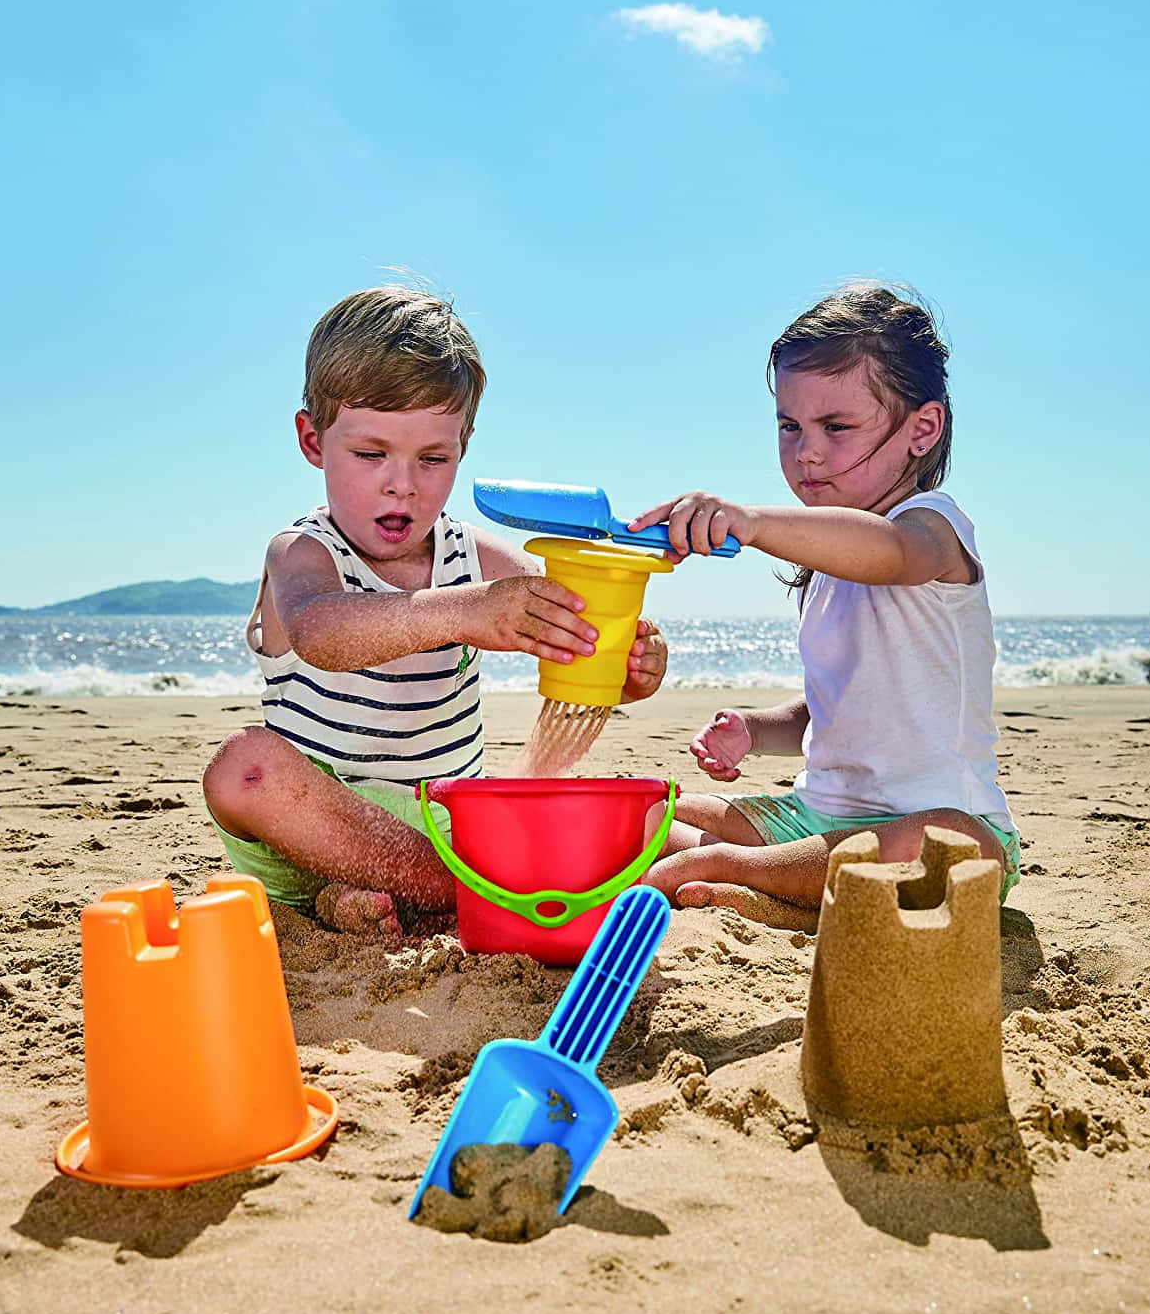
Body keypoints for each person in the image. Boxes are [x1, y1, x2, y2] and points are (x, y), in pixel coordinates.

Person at [203, 286, 667, 934]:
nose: (403, 482)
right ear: (312, 440)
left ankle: (361, 897)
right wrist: (463, 612)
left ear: (464, 445)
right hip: (319, 827)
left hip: (438, 821)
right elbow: (319, 632)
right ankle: (458, 893)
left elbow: (570, 626)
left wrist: (623, 664)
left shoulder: (473, 557)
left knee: (623, 807)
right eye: (371, 454)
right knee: (243, 767)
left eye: (432, 457)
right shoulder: (304, 551)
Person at [627, 282, 1018, 924]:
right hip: (818, 818)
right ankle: (779, 883)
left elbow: (891, 552)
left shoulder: (931, 530)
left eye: (836, 427)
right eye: (790, 426)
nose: (806, 451)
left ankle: (739, 871)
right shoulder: (827, 561)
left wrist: (749, 522)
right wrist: (755, 729)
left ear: (922, 429)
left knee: (953, 845)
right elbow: (832, 709)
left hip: (930, 824)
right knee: (642, 813)